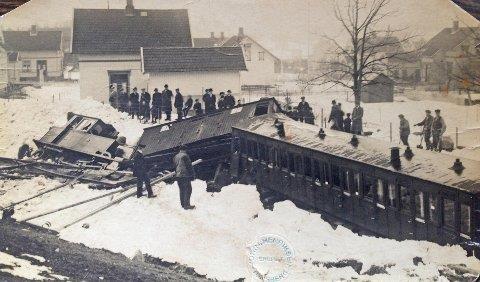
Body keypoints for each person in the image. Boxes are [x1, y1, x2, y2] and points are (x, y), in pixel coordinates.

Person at [173, 145, 195, 209]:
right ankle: (187, 205)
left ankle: (183, 204)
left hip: (178, 176)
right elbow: (189, 166)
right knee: (188, 189)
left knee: (182, 190)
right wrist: (192, 175)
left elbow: (175, 167)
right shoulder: (185, 156)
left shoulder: (175, 156)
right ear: (185, 150)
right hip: (185, 175)